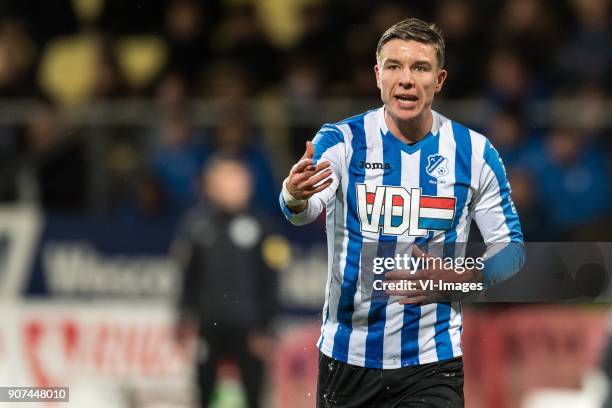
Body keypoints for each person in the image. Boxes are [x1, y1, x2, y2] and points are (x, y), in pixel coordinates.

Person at [279, 18, 525, 407]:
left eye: (420, 68)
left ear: (439, 80)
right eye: (394, 66)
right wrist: (292, 195)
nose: (406, 79)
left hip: (432, 363)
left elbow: (511, 250)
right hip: (347, 362)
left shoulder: (475, 153)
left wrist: (461, 278)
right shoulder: (341, 141)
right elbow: (305, 209)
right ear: (378, 76)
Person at [174, 156, 278, 408]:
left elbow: (271, 280)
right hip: (208, 324)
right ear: (212, 185)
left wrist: (266, 326)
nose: (239, 186)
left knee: (254, 392)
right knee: (204, 390)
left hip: (248, 325)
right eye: (231, 180)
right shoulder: (196, 224)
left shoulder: (261, 225)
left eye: (242, 180)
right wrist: (184, 316)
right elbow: (188, 277)